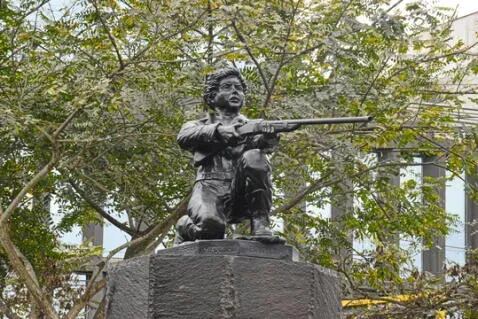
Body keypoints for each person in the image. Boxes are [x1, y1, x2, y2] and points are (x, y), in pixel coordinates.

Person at [174, 67, 280, 244]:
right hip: (209, 187)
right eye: (227, 87)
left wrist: (270, 137)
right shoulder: (199, 124)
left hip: (239, 192)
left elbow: (263, 150)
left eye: (238, 88)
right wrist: (218, 131)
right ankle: (184, 226)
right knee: (210, 229)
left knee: (256, 156)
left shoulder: (251, 126)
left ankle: (260, 224)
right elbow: (183, 138)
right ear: (212, 96)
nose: (234, 91)